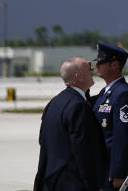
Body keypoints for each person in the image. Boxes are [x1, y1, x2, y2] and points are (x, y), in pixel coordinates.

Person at [34, 57, 106, 191]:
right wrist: (94, 186)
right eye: (87, 68)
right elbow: (83, 151)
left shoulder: (54, 103)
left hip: (51, 181)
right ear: (78, 77)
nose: (92, 70)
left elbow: (43, 142)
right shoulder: (78, 106)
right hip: (73, 183)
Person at [91, 42, 128, 190]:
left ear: (114, 65)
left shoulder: (122, 93)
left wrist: (119, 172)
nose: (97, 65)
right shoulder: (106, 92)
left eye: (101, 62)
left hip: (113, 172)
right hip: (102, 167)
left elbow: (123, 136)